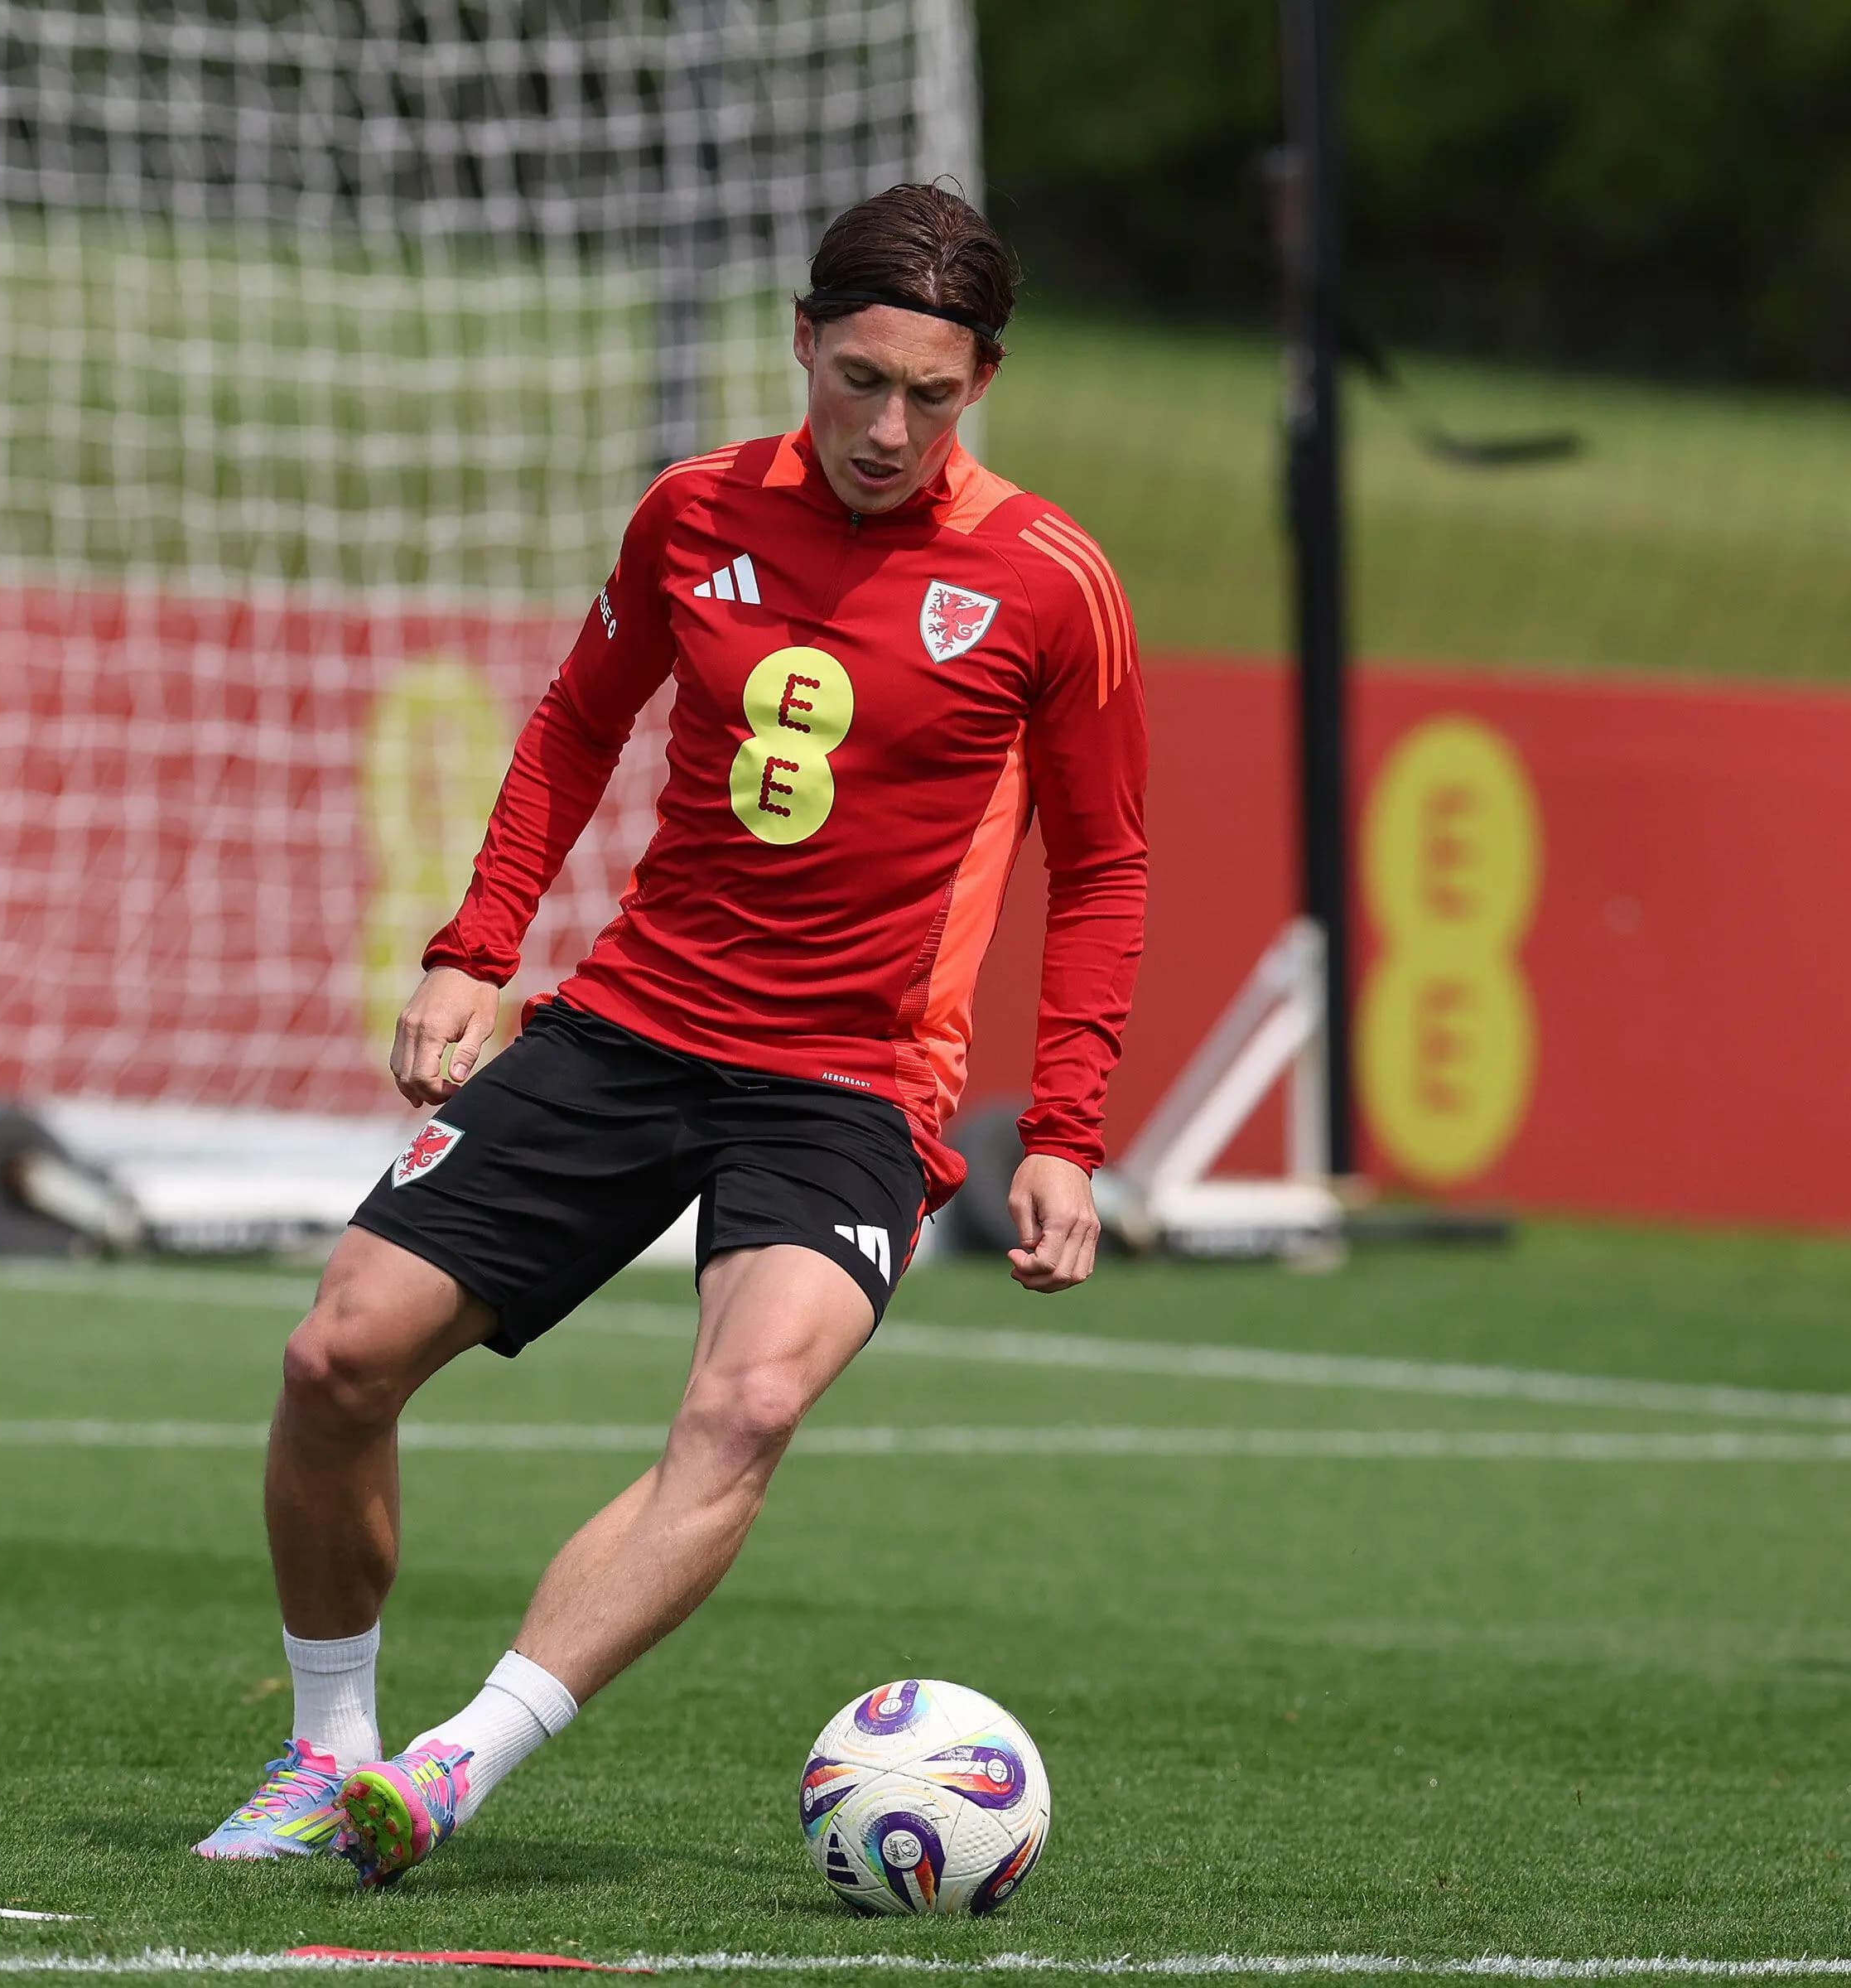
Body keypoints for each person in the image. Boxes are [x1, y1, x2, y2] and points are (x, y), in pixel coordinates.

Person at [196, 181, 1149, 1885]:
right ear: (803, 341)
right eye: (859, 378)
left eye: (932, 395)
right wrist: (474, 951)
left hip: (856, 1082)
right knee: (334, 1356)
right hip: (631, 1026)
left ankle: (450, 1772)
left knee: (748, 1405)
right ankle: (321, 1751)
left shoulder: (1049, 583)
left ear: (984, 380)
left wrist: (1065, 1127)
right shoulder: (692, 512)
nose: (887, 426)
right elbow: (575, 724)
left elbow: (1110, 865)